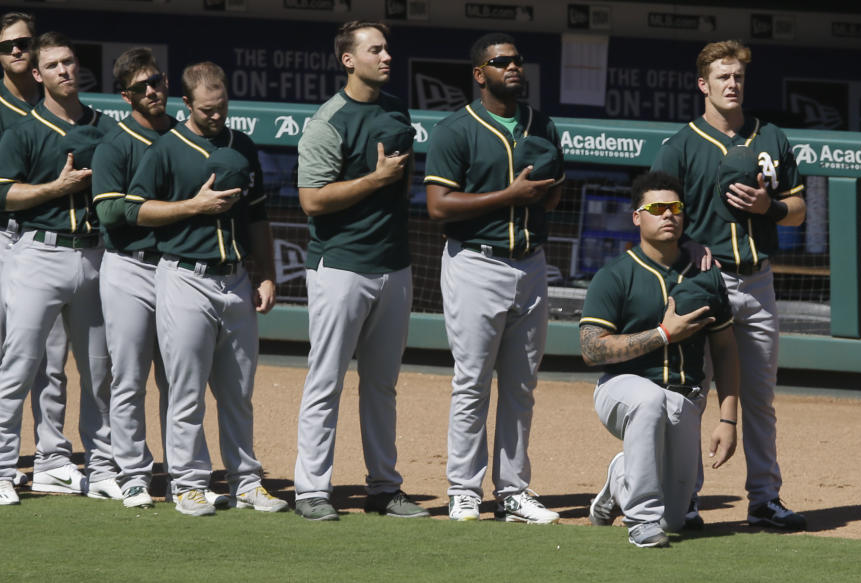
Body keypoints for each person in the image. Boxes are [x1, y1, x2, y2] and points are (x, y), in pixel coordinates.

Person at [651, 39, 807, 530]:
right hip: (704, 282)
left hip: (757, 280)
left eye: (738, 76)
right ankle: (688, 499)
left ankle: (764, 498)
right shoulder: (680, 145)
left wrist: (771, 208)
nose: (732, 84)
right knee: (694, 394)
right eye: (722, 77)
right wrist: (687, 242)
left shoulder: (771, 137)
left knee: (760, 397)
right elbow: (659, 214)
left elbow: (800, 211)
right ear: (703, 84)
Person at [126, 61, 286, 516]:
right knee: (186, 388)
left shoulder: (243, 146)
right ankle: (188, 483)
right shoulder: (166, 148)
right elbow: (137, 210)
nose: (217, 117)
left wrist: (267, 273)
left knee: (238, 391)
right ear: (187, 104)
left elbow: (257, 218)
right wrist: (191, 206)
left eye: (222, 108)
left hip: (234, 278)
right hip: (184, 277)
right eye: (208, 110)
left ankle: (246, 481)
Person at [424, 32, 564, 523]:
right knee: (472, 383)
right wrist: (509, 195)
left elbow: (551, 197)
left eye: (518, 61)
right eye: (501, 61)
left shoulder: (542, 125)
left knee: (522, 386)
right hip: (476, 264)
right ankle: (463, 488)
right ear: (480, 73)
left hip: (530, 263)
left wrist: (541, 193)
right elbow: (438, 207)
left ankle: (513, 491)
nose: (514, 68)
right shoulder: (455, 130)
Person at [293, 21, 426, 521]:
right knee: (325, 380)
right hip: (341, 266)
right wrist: (374, 179)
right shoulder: (329, 120)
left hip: (393, 265)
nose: (386, 56)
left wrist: (385, 182)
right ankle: (310, 490)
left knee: (381, 384)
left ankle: (384, 488)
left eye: (387, 48)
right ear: (348, 60)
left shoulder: (397, 110)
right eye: (375, 49)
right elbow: (311, 201)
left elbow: (405, 182)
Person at [579, 171, 739, 548]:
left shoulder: (706, 277)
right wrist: (663, 335)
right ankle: (640, 521)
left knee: (676, 519)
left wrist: (729, 418)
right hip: (621, 391)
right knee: (648, 400)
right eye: (656, 208)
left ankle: (620, 478)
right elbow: (590, 348)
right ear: (637, 217)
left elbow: (726, 350)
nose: (668, 215)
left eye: (675, 208)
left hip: (683, 398)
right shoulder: (615, 275)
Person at [0, 31, 120, 506]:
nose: (64, 71)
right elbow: (3, 194)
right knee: (18, 368)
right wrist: (56, 187)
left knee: (100, 372)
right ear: (38, 75)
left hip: (94, 256)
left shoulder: (106, 127)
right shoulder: (23, 130)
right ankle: (3, 469)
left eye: (69, 62)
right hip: (38, 253)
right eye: (52, 66)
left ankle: (104, 466)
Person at [91, 47, 176, 509]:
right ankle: (132, 473)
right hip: (127, 267)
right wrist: (175, 212)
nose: (152, 90)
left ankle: (183, 473)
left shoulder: (183, 137)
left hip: (174, 269)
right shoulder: (115, 144)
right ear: (126, 95)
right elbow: (108, 212)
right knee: (128, 377)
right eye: (141, 86)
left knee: (179, 379)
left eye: (157, 81)